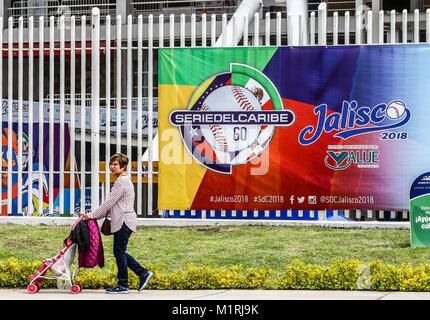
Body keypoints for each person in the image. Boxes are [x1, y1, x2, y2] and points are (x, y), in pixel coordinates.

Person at [83, 153, 153, 294]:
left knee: (119, 252)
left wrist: (93, 215)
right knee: (119, 251)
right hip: (124, 221)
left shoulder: (122, 181)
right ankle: (142, 273)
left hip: (124, 221)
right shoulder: (123, 181)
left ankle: (124, 284)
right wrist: (94, 217)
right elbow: (110, 206)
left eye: (115, 164)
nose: (112, 167)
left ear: (123, 166)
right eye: (111, 164)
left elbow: (109, 202)